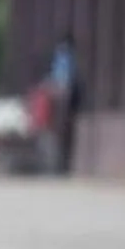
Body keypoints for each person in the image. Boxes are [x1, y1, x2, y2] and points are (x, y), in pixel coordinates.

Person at [46, 35, 80, 174]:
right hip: (62, 95)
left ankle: (60, 165)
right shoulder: (65, 58)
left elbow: (62, 78)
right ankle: (60, 164)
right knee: (61, 132)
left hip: (63, 96)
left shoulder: (64, 58)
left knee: (61, 131)